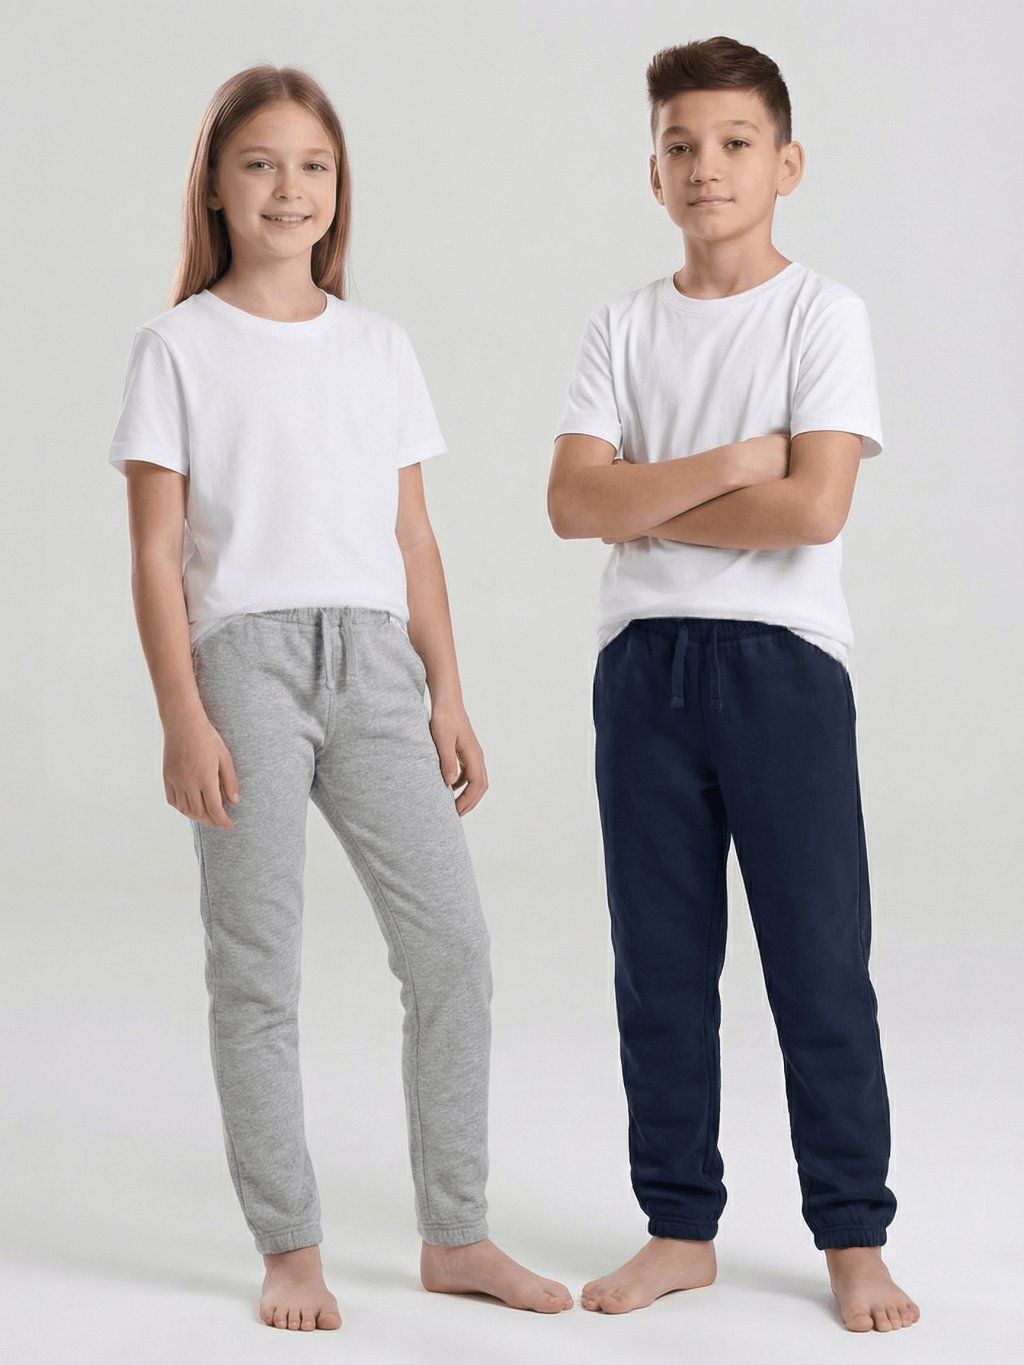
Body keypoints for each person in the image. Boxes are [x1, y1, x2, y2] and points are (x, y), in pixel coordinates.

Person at [107, 63, 573, 1331]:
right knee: (258, 970)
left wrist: (448, 693)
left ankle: (455, 1235)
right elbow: (155, 553)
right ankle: (290, 1248)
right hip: (242, 665)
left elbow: (413, 537)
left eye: (312, 165)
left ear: (339, 187)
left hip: (375, 666)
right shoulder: (176, 347)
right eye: (259, 163)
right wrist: (182, 714)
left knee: (453, 952)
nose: (288, 189)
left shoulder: (379, 347)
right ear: (214, 186)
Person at [547, 37, 920, 1333]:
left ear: (786, 163)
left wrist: (645, 502)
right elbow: (570, 502)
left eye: (734, 142)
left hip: (783, 667)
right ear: (653, 172)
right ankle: (678, 1227)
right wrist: (731, 462)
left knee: (819, 963)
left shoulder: (823, 314)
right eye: (681, 145)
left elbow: (812, 510)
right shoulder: (621, 325)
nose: (706, 166)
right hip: (641, 670)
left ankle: (853, 1236)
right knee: (659, 969)